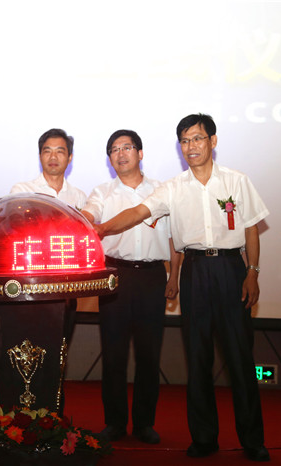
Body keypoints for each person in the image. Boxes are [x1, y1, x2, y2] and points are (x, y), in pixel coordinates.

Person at [94, 114, 270, 462]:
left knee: (240, 357)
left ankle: (253, 440)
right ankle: (204, 438)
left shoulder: (237, 180)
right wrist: (101, 229)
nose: (191, 146)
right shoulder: (172, 188)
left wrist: (252, 272)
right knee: (198, 357)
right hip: (195, 271)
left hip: (231, 269)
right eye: (185, 141)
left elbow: (251, 228)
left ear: (212, 141)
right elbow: (137, 212)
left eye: (198, 138)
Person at [81, 129, 180, 445]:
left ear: (140, 153)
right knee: (114, 354)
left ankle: (144, 424)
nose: (121, 153)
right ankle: (114, 423)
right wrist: (82, 219)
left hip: (152, 277)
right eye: (114, 149)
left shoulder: (162, 190)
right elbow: (89, 216)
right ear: (109, 159)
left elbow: (174, 238)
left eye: (127, 147)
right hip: (115, 277)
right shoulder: (102, 192)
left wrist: (174, 276)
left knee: (149, 355)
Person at [10, 128, 87, 210]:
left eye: (59, 151)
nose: (53, 157)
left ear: (70, 158)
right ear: (40, 156)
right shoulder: (22, 192)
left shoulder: (79, 197)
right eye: (47, 151)